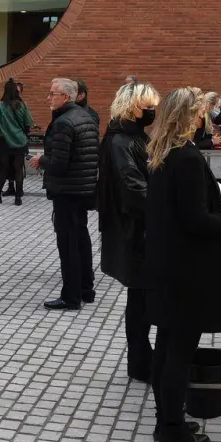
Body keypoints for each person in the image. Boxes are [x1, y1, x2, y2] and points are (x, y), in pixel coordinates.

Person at [147, 87, 221, 442]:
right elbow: (194, 220)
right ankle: (171, 429)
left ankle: (166, 421)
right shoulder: (187, 157)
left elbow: (187, 209)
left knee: (166, 347)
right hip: (187, 271)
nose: (204, 119)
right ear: (189, 117)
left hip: (168, 265)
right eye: (200, 114)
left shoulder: (163, 152)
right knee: (178, 352)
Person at [96, 81, 160, 380]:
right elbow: (133, 189)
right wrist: (167, 205)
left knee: (142, 298)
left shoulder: (133, 136)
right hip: (134, 232)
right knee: (140, 299)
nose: (153, 112)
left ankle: (140, 359)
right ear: (133, 108)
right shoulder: (121, 141)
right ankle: (139, 361)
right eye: (148, 107)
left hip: (138, 230)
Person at [32, 78, 100, 310]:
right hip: (83, 189)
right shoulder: (87, 117)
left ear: (67, 97)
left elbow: (59, 164)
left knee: (68, 244)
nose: (48, 98)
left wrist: (40, 160)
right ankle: (86, 289)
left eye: (53, 94)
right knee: (81, 238)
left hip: (67, 190)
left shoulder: (63, 123)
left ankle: (71, 297)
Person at [0, 79, 34, 204]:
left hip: (6, 142)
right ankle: (18, 198)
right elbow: (29, 122)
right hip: (20, 142)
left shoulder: (1, 105)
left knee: (3, 168)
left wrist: (0, 130)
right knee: (18, 169)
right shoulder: (21, 105)